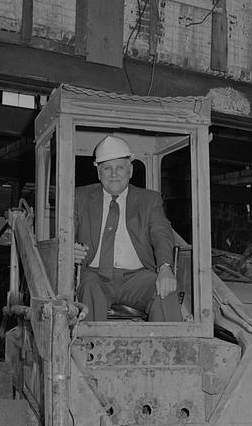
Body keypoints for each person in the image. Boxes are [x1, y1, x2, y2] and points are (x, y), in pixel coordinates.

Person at [74, 135, 182, 322]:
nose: (114, 174)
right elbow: (63, 233)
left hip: (136, 278)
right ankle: (86, 348)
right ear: (99, 173)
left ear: (130, 170)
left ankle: (170, 349)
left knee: (165, 291)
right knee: (89, 286)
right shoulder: (79, 197)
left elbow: (161, 235)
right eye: (107, 168)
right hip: (94, 275)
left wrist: (165, 268)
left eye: (120, 167)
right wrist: (69, 250)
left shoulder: (149, 200)